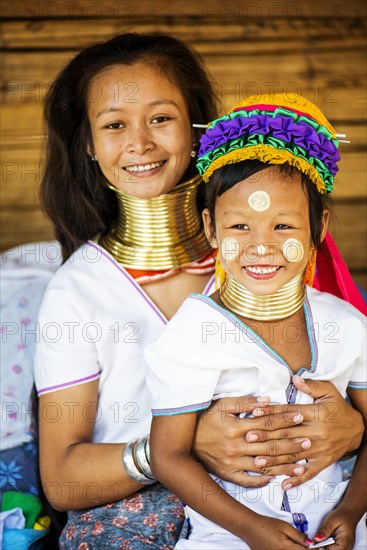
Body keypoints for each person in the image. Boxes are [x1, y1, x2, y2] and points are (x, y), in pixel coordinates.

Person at [34, 33, 364, 548]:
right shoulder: (77, 291)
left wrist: (353, 433)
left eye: (161, 119)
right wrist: (173, 449)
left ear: (197, 130)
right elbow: (61, 478)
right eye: (115, 125)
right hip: (151, 518)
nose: (140, 143)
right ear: (89, 146)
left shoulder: (266, 256)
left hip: (302, 496)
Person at [146, 94, 367, 549]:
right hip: (228, 535)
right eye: (240, 227)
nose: (261, 246)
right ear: (211, 229)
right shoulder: (192, 335)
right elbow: (168, 455)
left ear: (318, 229)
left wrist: (351, 510)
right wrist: (252, 529)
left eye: (283, 226)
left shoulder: (346, 325)